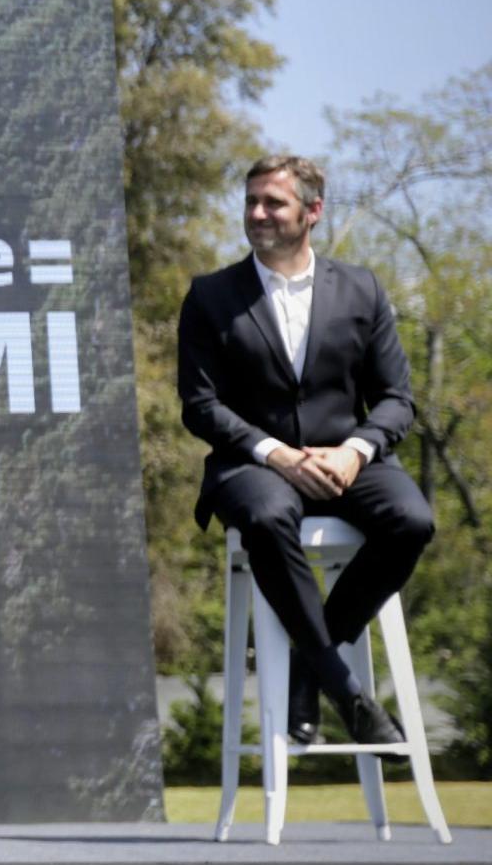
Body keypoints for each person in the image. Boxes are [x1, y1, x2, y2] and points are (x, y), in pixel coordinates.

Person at [177, 154, 424, 747]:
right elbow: (200, 405)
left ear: (313, 212)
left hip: (346, 461)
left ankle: (311, 668)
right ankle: (347, 691)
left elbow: (397, 399)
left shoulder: (362, 288)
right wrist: (276, 454)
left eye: (273, 203)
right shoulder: (210, 296)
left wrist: (355, 452)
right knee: (266, 517)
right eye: (250, 202)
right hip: (252, 467)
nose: (257, 214)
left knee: (412, 520)